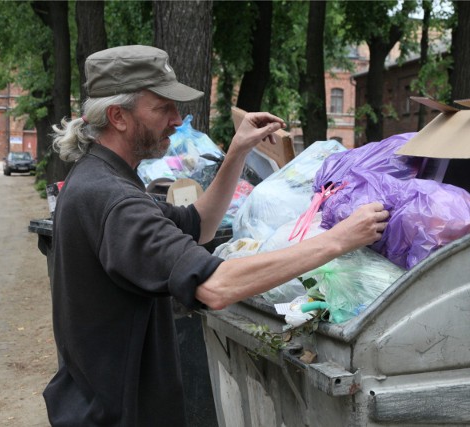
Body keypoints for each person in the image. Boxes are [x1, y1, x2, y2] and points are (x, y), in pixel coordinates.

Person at [43, 45, 389, 426]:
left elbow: (198, 225)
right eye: (162, 108)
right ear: (118, 116)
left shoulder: (101, 178)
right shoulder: (114, 201)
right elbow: (215, 287)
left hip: (99, 406)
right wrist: (338, 240)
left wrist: (237, 151)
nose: (177, 119)